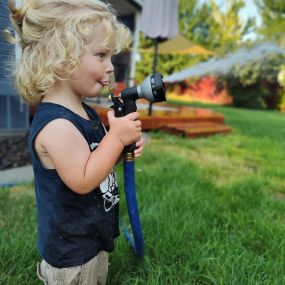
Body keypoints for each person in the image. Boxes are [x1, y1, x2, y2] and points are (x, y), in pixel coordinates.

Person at [5, 0, 144, 284]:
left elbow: (93, 159)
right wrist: (116, 138)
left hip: (89, 239)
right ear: (61, 57)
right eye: (101, 55)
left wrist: (119, 150)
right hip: (73, 258)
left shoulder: (83, 111)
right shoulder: (58, 126)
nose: (110, 67)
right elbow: (82, 179)